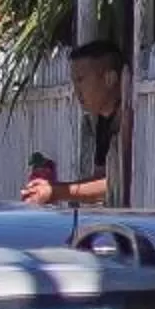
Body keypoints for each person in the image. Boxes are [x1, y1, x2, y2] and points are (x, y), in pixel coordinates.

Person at [22, 38, 131, 207]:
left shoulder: (129, 118)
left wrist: (56, 191)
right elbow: (102, 179)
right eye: (74, 82)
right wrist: (53, 190)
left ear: (110, 79)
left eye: (81, 80)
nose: (76, 91)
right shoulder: (104, 121)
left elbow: (117, 183)